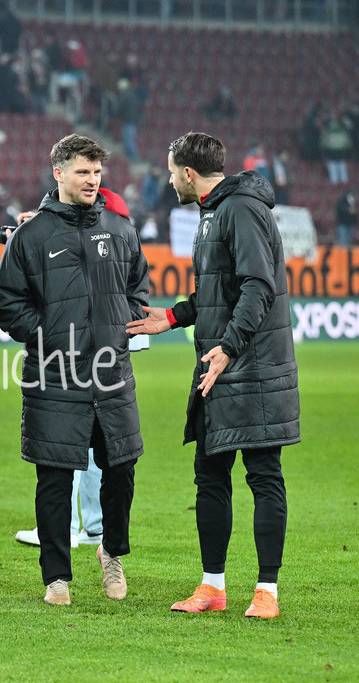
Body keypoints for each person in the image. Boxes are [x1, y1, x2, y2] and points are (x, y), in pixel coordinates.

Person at [127, 132, 301, 619]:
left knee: (263, 474)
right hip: (219, 365)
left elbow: (258, 286)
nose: (168, 181)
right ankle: (213, 587)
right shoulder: (213, 212)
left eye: (171, 172)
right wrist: (175, 317)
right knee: (210, 475)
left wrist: (228, 346)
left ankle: (267, 590)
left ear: (188, 173)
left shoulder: (240, 209)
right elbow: (218, 293)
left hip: (254, 366)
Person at [0, 135, 149, 606]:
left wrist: (120, 327)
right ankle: (57, 577)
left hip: (112, 375)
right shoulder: (31, 235)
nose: (92, 180)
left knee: (121, 470)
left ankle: (111, 552)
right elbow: (8, 304)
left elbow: (138, 289)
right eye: (83, 171)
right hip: (54, 375)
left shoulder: (120, 229)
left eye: (97, 172)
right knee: (55, 479)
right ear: (58, 173)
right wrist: (49, 337)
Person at [11, 186, 144, 552]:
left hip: (93, 346)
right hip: (99, 344)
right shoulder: (107, 219)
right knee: (91, 443)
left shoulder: (108, 221)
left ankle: (76, 526)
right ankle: (93, 526)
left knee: (80, 441)